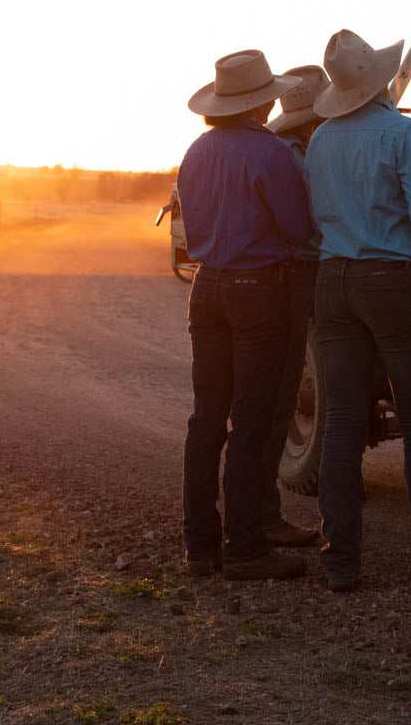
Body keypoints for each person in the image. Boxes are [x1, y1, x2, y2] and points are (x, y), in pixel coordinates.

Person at [304, 29, 411, 592]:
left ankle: (341, 562)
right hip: (393, 280)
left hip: (334, 280)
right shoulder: (405, 135)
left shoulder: (321, 138)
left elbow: (317, 212)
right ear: (383, 82)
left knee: (343, 423)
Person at [175, 49, 315, 582]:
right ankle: (246, 546)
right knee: (251, 420)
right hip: (258, 288)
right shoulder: (270, 153)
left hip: (207, 284)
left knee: (205, 419)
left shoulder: (196, 151)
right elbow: (297, 227)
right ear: (262, 101)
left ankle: (199, 544)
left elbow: (191, 226)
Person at [255, 63, 329, 549]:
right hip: (296, 270)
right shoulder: (294, 156)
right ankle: (261, 520)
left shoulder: (282, 148)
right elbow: (303, 222)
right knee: (281, 387)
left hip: (271, 273)